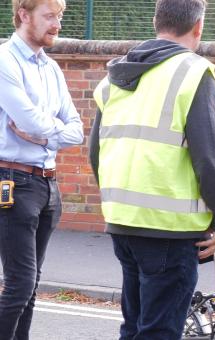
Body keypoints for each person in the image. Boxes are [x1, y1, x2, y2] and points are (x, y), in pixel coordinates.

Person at [88, 0, 215, 338]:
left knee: (136, 327)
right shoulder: (193, 72)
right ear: (198, 27)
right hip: (171, 231)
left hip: (123, 222)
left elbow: (96, 152)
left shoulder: (115, 78)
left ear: (156, 21)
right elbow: (209, 156)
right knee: (160, 332)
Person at [0, 0, 84, 339]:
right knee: (19, 285)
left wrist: (45, 139)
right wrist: (51, 130)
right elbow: (27, 120)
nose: (57, 25)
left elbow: (77, 129)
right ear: (24, 15)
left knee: (31, 285)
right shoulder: (5, 60)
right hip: (12, 182)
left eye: (59, 16)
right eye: (49, 16)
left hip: (48, 185)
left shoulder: (51, 69)